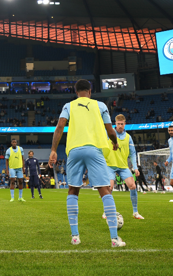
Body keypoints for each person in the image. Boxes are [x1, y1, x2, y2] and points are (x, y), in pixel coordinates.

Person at [49, 79, 125, 248]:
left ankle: (75, 237)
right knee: (104, 190)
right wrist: (115, 142)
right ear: (90, 92)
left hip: (74, 150)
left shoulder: (69, 106)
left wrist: (54, 150)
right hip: (94, 149)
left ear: (76, 93)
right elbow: (110, 130)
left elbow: (60, 126)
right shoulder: (101, 105)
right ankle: (114, 239)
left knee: (73, 190)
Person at [103, 115, 143, 219]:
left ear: (125, 124)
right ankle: (106, 212)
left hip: (123, 166)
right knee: (109, 187)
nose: (120, 126)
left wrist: (135, 167)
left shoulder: (128, 137)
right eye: (118, 124)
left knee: (133, 186)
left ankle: (135, 212)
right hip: (110, 165)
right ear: (115, 124)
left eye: (122, 124)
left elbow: (133, 153)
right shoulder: (109, 134)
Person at [5, 138, 26, 202]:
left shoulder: (20, 149)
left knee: (20, 181)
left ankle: (20, 197)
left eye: (15, 142)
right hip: (12, 168)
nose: (14, 143)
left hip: (19, 167)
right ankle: (12, 198)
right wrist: (7, 169)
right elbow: (6, 160)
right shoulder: (8, 150)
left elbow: (22, 158)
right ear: (11, 143)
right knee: (13, 181)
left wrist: (23, 167)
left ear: (16, 143)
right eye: (13, 142)